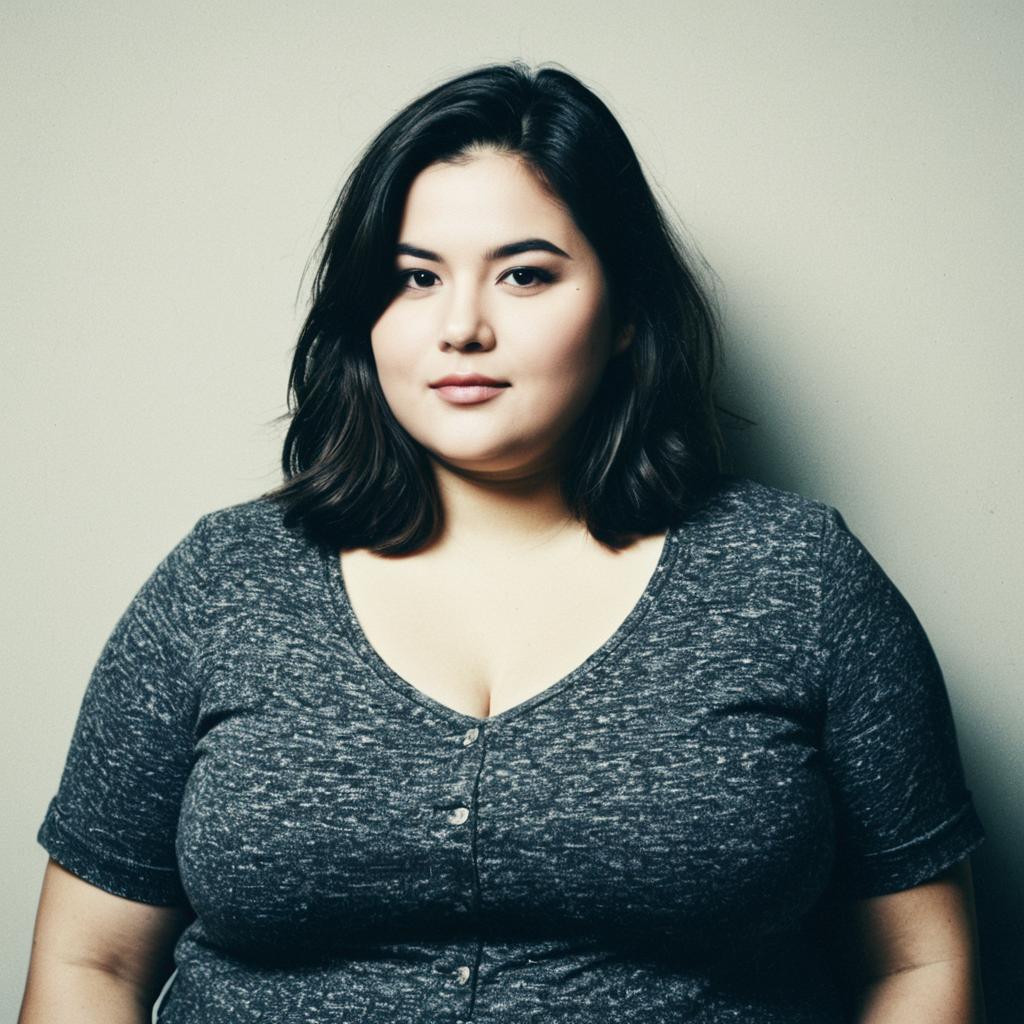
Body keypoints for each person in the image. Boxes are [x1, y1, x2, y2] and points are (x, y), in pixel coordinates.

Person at [19, 60, 987, 1023]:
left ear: (622, 314)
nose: (461, 326)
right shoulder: (220, 585)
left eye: (525, 274)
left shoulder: (798, 580)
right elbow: (88, 960)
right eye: (413, 278)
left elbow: (917, 962)